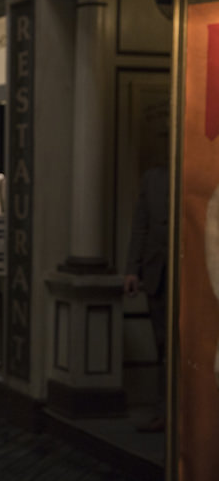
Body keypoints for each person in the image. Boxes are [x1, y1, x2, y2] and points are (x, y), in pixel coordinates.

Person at [124, 164, 169, 432]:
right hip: (157, 275)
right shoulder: (152, 177)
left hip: (193, 276)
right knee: (162, 347)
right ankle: (164, 412)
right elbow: (140, 226)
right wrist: (132, 269)